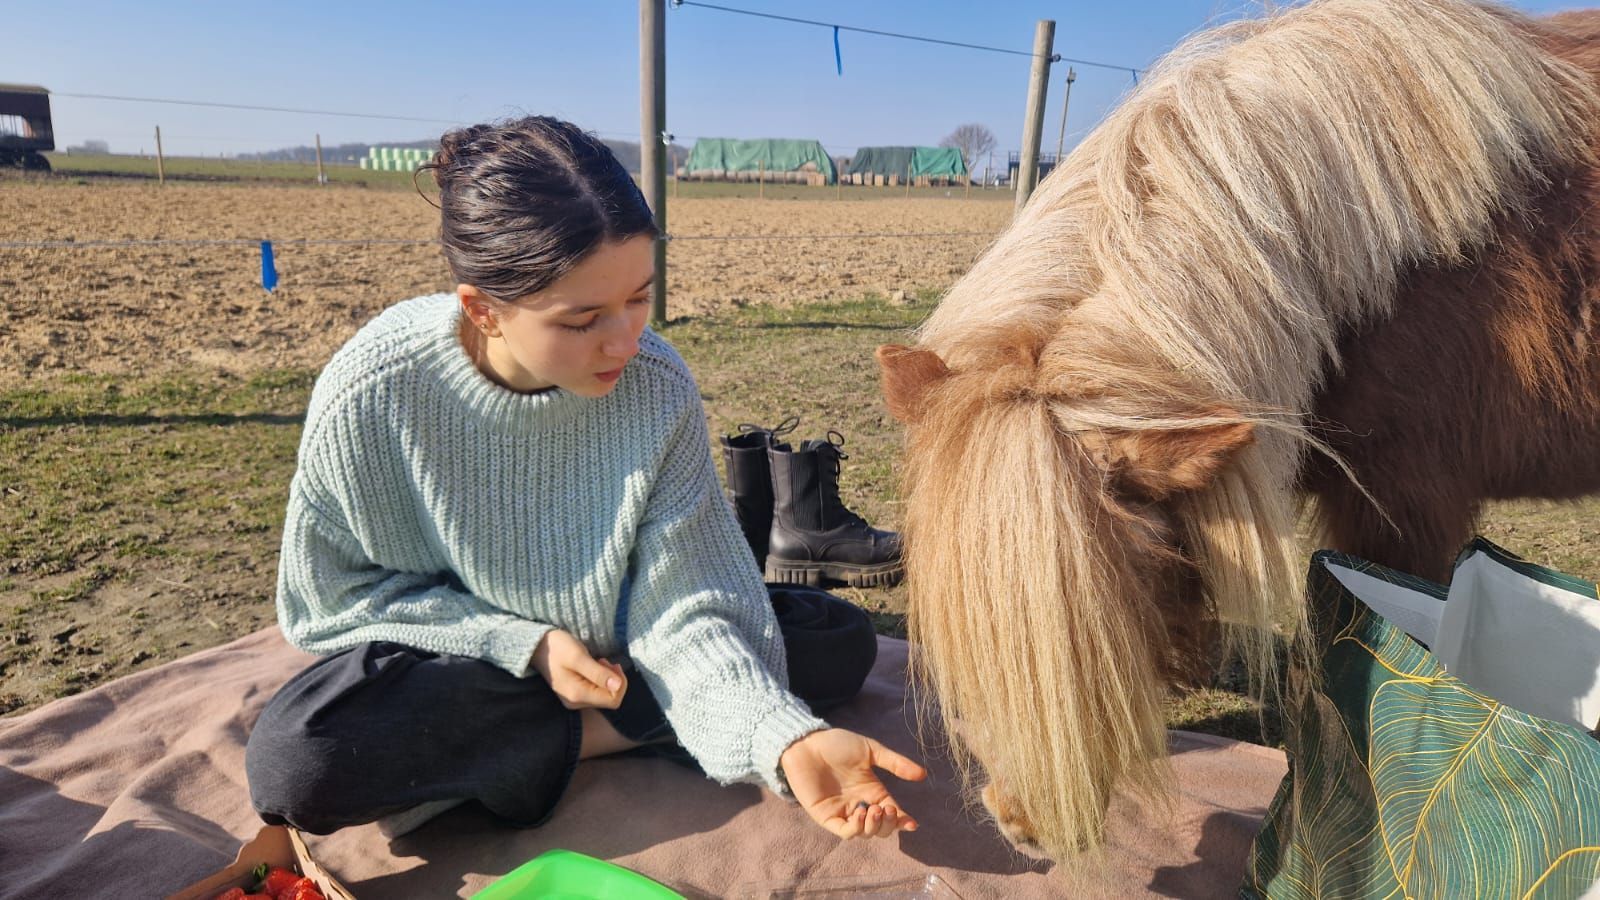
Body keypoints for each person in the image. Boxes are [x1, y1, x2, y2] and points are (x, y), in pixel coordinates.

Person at [242, 116, 924, 843]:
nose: (628, 340)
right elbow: (333, 603)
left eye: (639, 297)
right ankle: (633, 727)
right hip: (472, 664)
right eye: (584, 319)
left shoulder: (656, 385)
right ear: (483, 309)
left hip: (631, 640)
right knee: (298, 757)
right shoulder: (374, 392)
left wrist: (783, 741)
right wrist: (525, 643)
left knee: (837, 638)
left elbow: (685, 598)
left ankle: (573, 738)